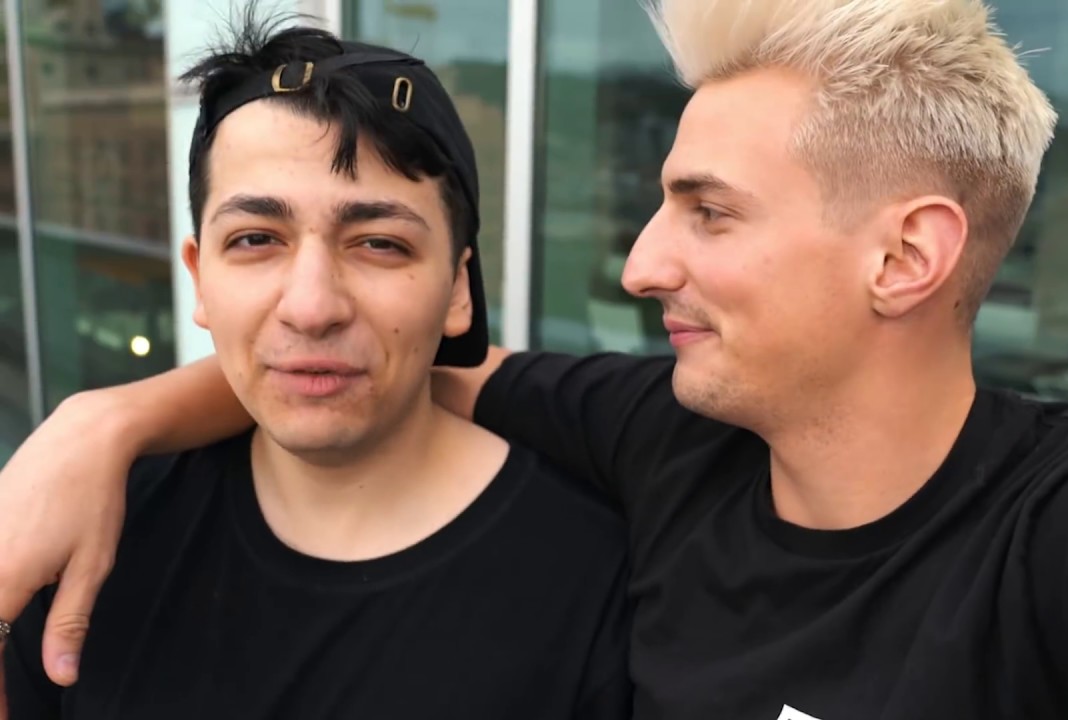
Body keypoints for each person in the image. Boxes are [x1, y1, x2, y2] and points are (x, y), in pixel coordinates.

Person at [3, 0, 1068, 718]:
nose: (639, 265)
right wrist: (102, 424)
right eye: (254, 239)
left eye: (707, 213)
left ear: (903, 257)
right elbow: (380, 363)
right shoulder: (663, 443)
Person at [0, 12, 631, 720]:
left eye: (380, 243)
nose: (311, 307)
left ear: (458, 290)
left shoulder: (596, 582)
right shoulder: (93, 522)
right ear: (199, 278)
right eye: (255, 239)